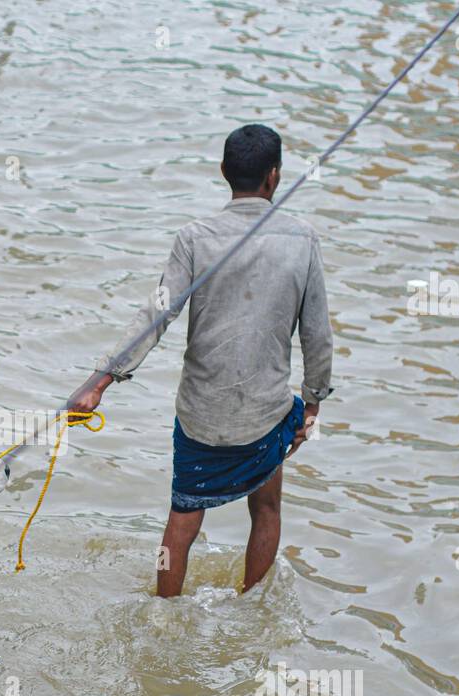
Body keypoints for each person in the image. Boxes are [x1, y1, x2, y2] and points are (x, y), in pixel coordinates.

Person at [71, 124, 334, 597]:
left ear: (223, 173)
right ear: (274, 177)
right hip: (267, 413)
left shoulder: (194, 237)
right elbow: (317, 335)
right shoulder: (304, 240)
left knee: (182, 518)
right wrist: (312, 405)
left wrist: (99, 382)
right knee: (268, 509)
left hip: (200, 415)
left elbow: (156, 314)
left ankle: (163, 610)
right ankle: (250, 603)